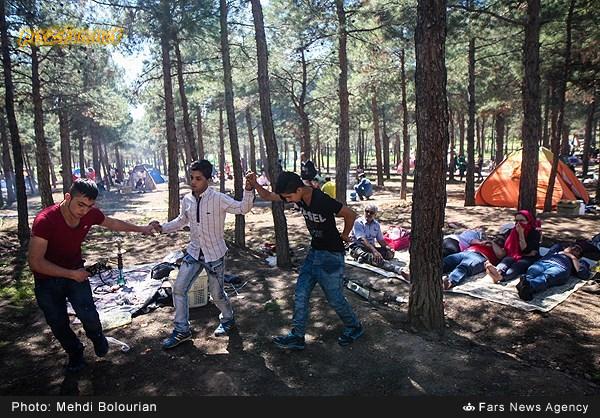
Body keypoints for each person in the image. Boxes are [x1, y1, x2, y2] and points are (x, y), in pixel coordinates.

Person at [27, 179, 156, 372]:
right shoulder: (45, 220)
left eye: (89, 206)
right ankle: (75, 353)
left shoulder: (90, 214)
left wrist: (142, 229)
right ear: (67, 197)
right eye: (80, 204)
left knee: (88, 313)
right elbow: (36, 262)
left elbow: (113, 223)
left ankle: (97, 337)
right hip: (47, 279)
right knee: (57, 322)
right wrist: (71, 274)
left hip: (75, 270)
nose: (84, 211)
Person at [247, 171, 363, 350]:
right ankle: (297, 336)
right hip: (314, 253)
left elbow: (350, 214)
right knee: (301, 293)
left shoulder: (321, 200)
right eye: (286, 197)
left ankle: (354, 326)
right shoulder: (296, 194)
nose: (288, 200)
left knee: (335, 299)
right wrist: (254, 183)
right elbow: (268, 195)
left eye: (289, 197)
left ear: (299, 189)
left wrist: (345, 234)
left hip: (331, 256)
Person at [151, 160, 254, 349]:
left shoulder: (218, 199)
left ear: (208, 179)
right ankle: (182, 330)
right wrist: (162, 228)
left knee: (217, 294)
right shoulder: (187, 200)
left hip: (214, 255)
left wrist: (248, 189)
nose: (193, 182)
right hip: (193, 253)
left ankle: (228, 319)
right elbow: (181, 221)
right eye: (191, 177)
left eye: (198, 178)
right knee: (179, 289)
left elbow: (243, 208)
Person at [517, 243, 591, 301]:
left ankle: (529, 286)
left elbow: (584, 275)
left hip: (560, 267)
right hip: (543, 262)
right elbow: (557, 245)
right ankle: (526, 287)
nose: (574, 249)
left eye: (577, 250)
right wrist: (564, 250)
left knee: (546, 276)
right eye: (572, 247)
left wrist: (573, 257)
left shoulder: (579, 261)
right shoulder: (555, 251)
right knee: (532, 270)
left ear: (579, 256)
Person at [484, 210, 541, 283]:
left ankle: (501, 277)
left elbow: (525, 250)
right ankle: (497, 272)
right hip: (513, 255)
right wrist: (492, 242)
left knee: (518, 265)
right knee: (507, 260)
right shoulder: (511, 231)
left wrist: (521, 233)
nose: (519, 223)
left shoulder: (534, 233)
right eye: (517, 221)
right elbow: (504, 246)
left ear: (528, 221)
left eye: (522, 221)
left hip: (528, 258)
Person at [348, 204, 401, 274]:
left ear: (375, 215)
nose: (368, 214)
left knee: (389, 254)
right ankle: (395, 269)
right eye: (367, 211)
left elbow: (381, 240)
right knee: (376, 258)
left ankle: (363, 258)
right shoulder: (358, 222)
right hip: (357, 247)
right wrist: (375, 251)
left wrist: (388, 248)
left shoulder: (376, 225)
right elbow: (362, 240)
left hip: (370, 248)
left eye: (371, 213)